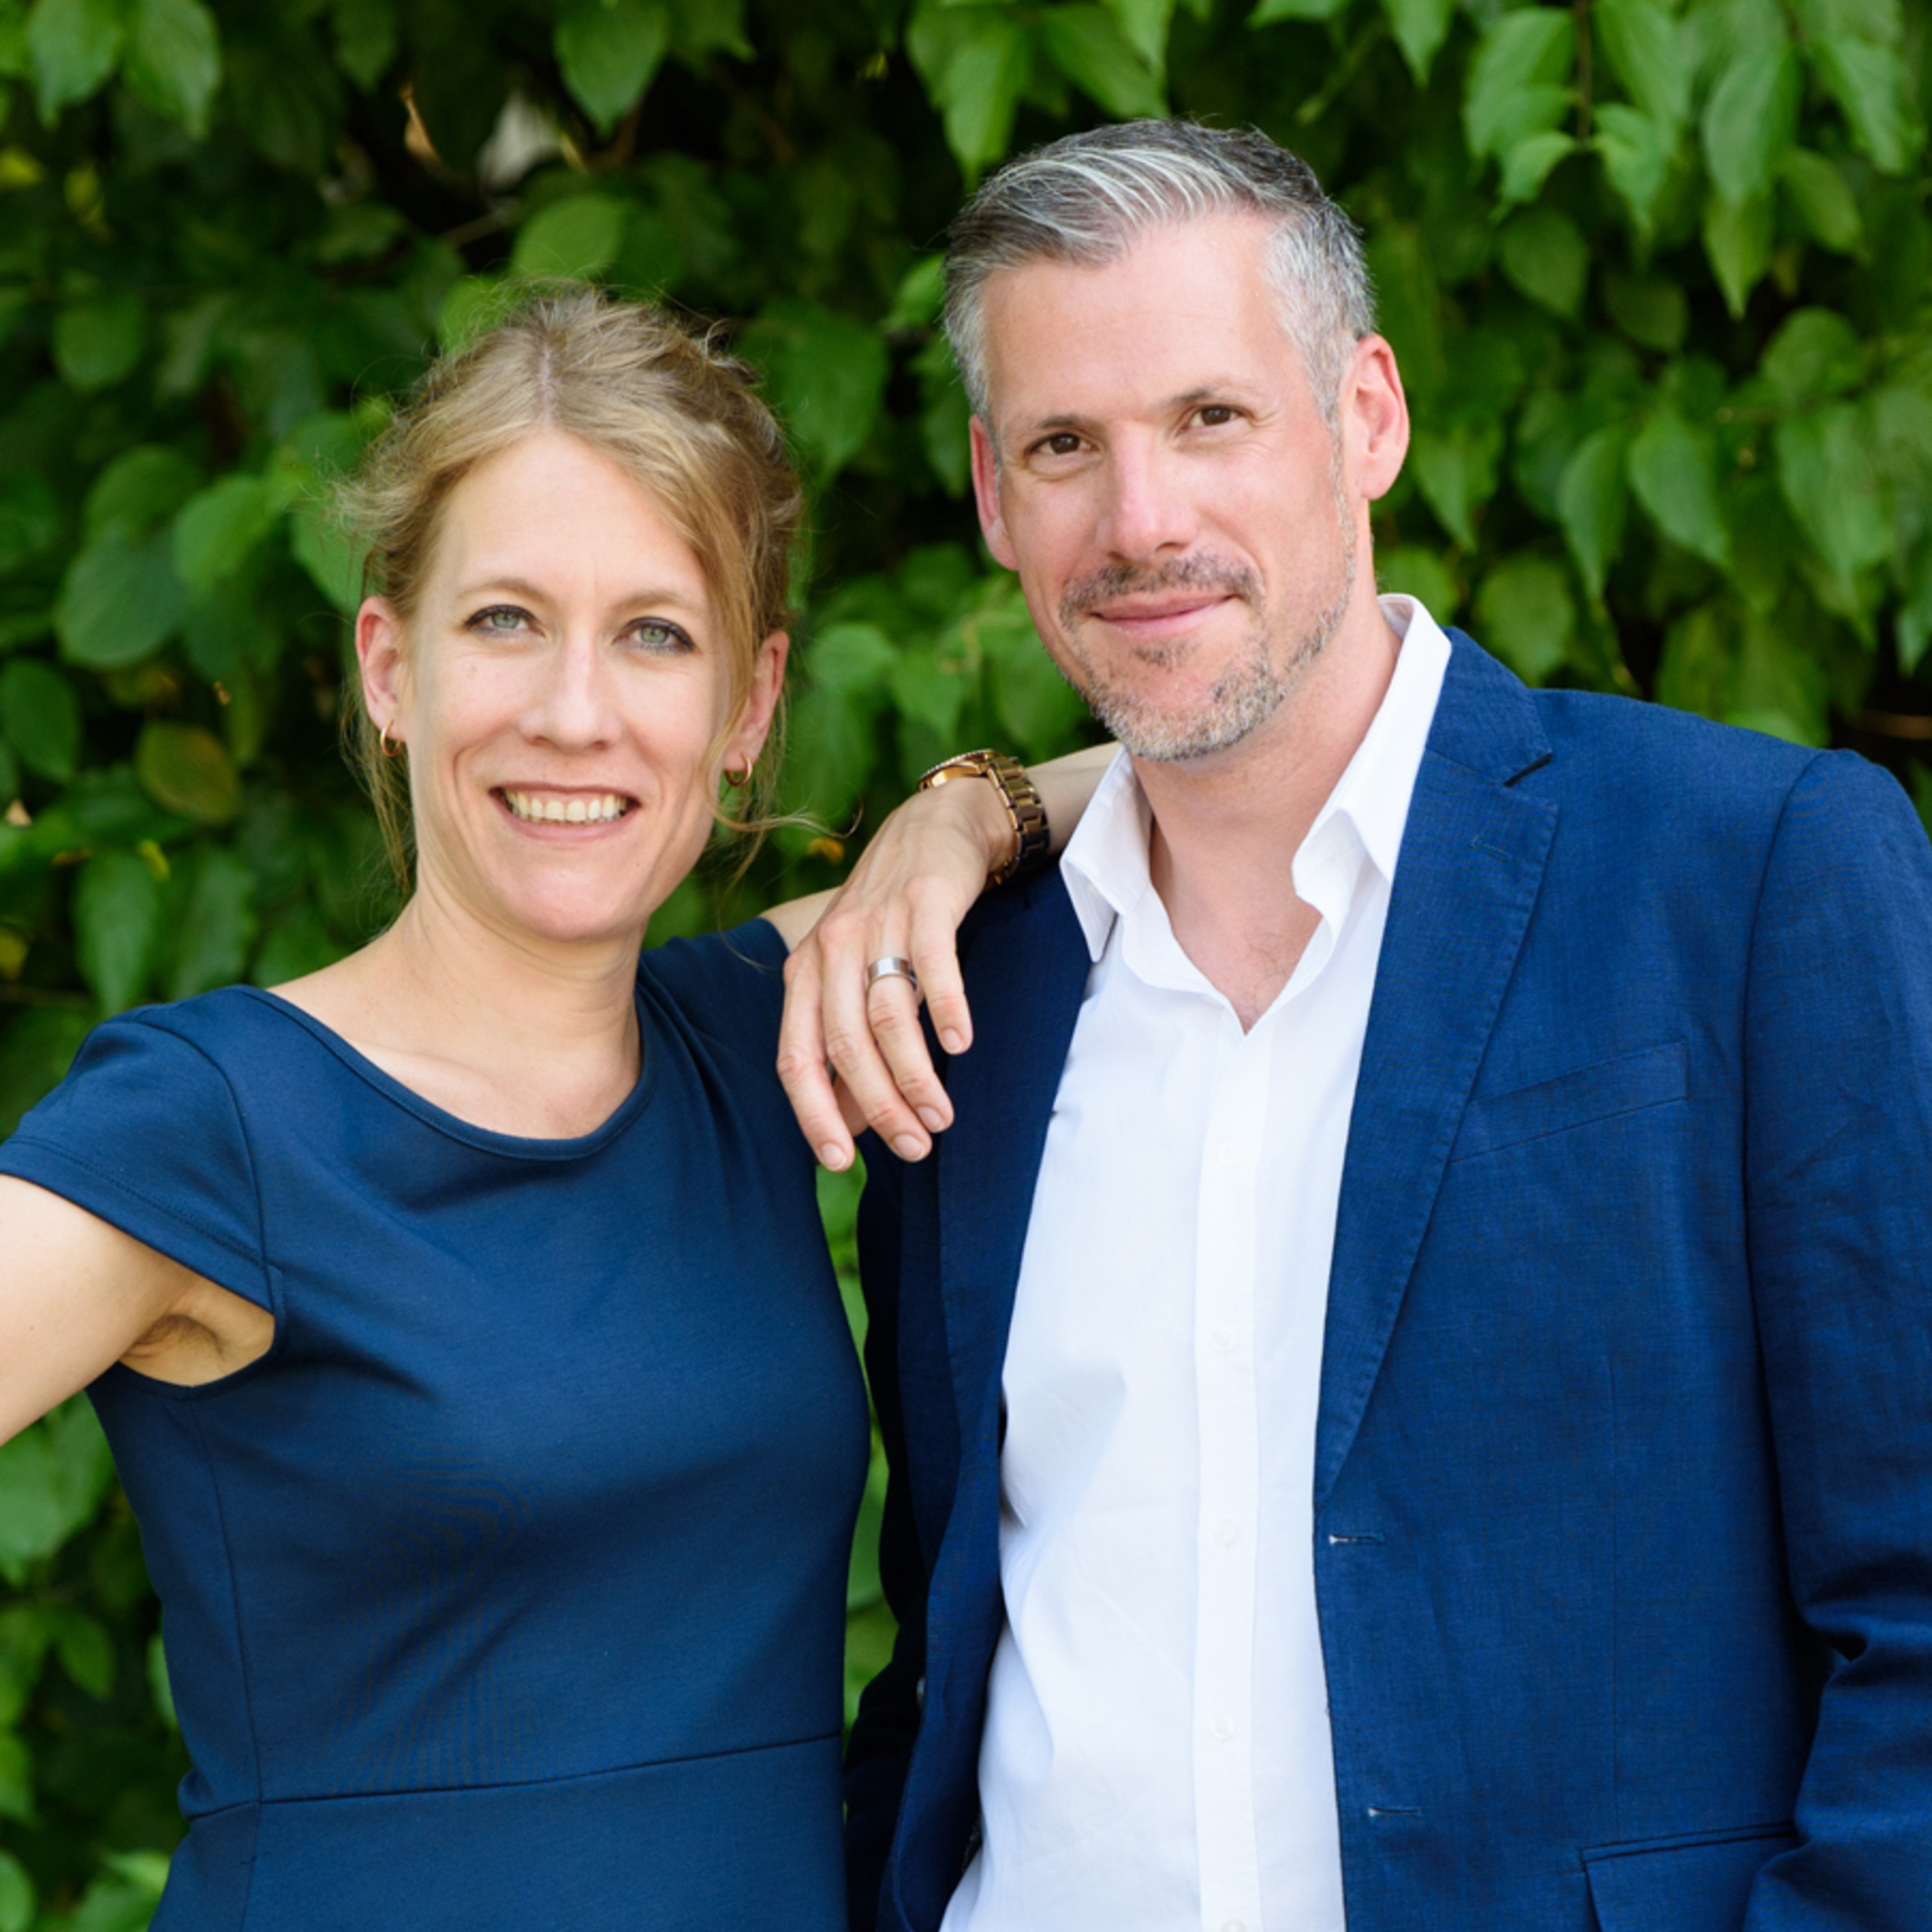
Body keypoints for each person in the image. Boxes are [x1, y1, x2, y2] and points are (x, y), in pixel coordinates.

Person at [781, 122, 1932, 1931]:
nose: (1141, 521)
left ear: (1367, 417)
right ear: (994, 498)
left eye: (1211, 417)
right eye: (1066, 446)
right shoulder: (968, 993)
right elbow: (949, 1659)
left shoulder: (1749, 875)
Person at [0, 289, 1101, 1932]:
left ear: (749, 709)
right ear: (391, 666)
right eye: (506, 620)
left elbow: (1195, 775)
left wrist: (955, 822)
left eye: (655, 634)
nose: (575, 712)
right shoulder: (217, 1123)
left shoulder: (763, 1032)